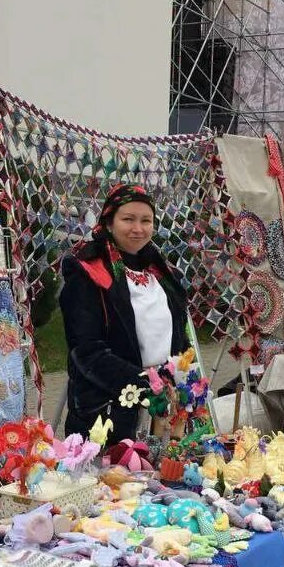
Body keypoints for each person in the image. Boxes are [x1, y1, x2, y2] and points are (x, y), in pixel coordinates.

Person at [59, 183, 189, 444]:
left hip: (161, 411)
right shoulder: (87, 272)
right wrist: (145, 385)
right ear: (108, 222)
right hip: (107, 411)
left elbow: (180, 338)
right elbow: (88, 351)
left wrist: (184, 380)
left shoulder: (163, 274)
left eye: (146, 220)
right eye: (128, 219)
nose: (138, 228)